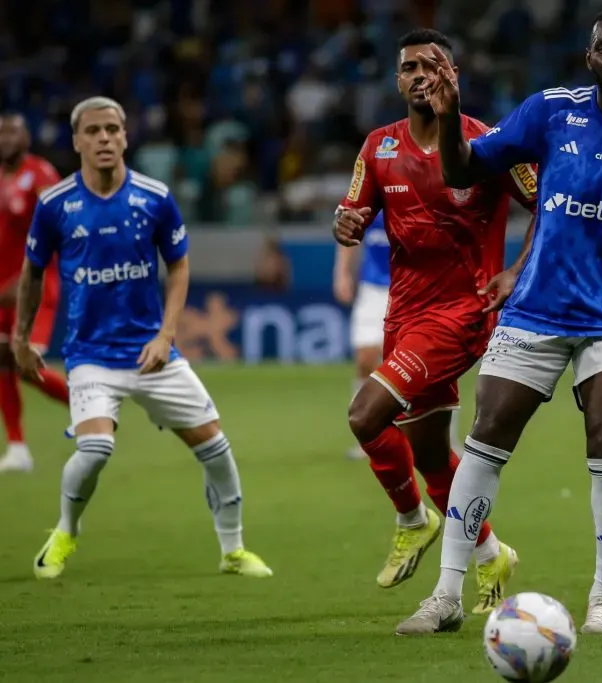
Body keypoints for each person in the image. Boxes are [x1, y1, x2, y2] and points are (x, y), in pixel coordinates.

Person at [394, 6, 602, 635]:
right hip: (535, 308)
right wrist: (451, 116)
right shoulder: (550, 110)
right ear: (589, 59)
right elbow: (460, 170)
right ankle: (447, 594)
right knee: (485, 439)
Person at [12, 96, 272, 580]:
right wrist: (21, 337)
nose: (105, 138)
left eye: (113, 129)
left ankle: (233, 551)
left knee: (216, 449)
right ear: (77, 141)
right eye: (93, 131)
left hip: (154, 354)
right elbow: (32, 273)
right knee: (95, 451)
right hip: (90, 355)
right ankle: (66, 529)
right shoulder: (55, 205)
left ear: (126, 136)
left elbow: (178, 266)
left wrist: (165, 333)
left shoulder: (153, 197)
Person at [332, 28, 538, 615]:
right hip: (405, 312)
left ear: (453, 76)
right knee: (428, 457)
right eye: (409, 67)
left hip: (462, 314)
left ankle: (410, 519)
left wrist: (518, 270)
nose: (419, 74)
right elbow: (353, 211)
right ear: (397, 81)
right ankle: (492, 552)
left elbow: (547, 204)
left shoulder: (491, 144)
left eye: (432, 64)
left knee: (364, 414)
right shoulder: (378, 147)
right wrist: (344, 224)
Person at [334, 214, 463, 460]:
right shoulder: (370, 191)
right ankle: (370, 438)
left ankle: (447, 438)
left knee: (433, 367)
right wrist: (341, 273)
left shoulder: (418, 191)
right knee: (365, 359)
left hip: (416, 286)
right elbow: (347, 228)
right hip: (373, 288)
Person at [0, 113, 70, 473]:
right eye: (1, 132)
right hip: (0, 293)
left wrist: (28, 277)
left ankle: (90, 412)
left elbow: (59, 226)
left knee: (26, 363)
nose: (6, 138)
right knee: (2, 363)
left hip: (34, 287)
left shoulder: (40, 174)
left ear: (26, 136)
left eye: (13, 130)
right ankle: (17, 447)